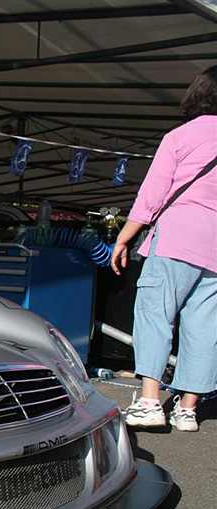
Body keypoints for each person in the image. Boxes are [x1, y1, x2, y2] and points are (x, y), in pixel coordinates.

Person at [110, 66, 217, 433]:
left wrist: (125, 235)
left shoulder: (180, 137)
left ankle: (150, 401)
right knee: (205, 326)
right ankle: (188, 409)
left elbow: (152, 194)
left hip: (176, 239)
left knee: (155, 313)